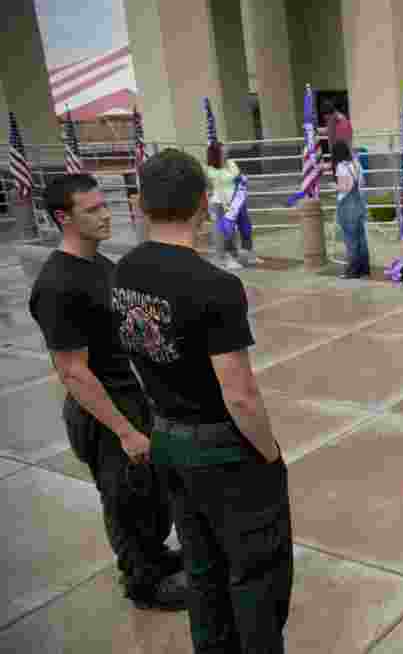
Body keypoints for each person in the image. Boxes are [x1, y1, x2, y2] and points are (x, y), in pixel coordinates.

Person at [112, 149, 293, 652]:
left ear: (142, 205)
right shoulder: (215, 286)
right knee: (256, 573)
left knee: (203, 567)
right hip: (220, 448)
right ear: (200, 205)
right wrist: (270, 454)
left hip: (167, 434)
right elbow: (239, 394)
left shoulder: (123, 271)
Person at [28, 174, 187, 611]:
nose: (106, 214)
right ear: (64, 218)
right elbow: (73, 371)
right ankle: (142, 584)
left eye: (105, 205)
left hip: (131, 400)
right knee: (125, 501)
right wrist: (123, 430)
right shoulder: (57, 285)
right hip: (103, 413)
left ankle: (155, 557)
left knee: (150, 493)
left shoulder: (99, 265)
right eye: (93, 209)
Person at [205, 141, 260, 270]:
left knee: (246, 227)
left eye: (225, 150)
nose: (226, 151)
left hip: (238, 200)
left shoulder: (231, 163)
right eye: (223, 150)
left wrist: (242, 180)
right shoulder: (211, 170)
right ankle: (229, 257)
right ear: (216, 153)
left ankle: (248, 254)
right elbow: (214, 187)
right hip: (222, 203)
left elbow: (239, 177)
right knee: (227, 231)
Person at [333, 140, 371, 279]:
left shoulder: (341, 166)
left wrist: (335, 187)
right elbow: (362, 183)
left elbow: (346, 187)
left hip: (347, 205)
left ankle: (353, 270)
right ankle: (364, 269)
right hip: (360, 203)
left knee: (350, 239)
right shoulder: (357, 163)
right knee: (361, 238)